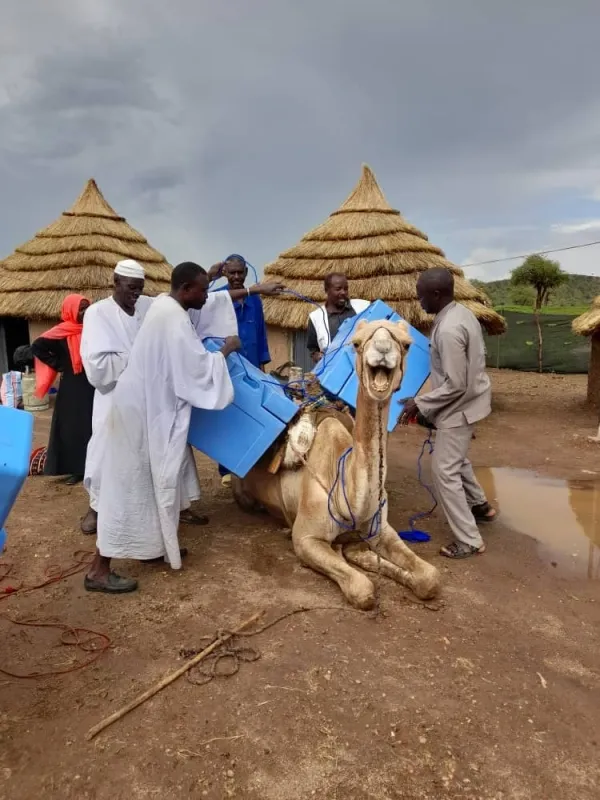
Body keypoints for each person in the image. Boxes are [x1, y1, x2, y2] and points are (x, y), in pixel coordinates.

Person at [84, 262, 241, 594]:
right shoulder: (170, 316)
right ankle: (98, 570)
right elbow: (194, 368)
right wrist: (225, 351)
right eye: (202, 289)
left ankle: (152, 549)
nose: (205, 295)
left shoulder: (167, 310)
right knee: (127, 488)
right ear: (185, 289)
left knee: (152, 484)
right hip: (138, 414)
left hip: (144, 408)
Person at [399, 268, 497, 559]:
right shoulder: (459, 314)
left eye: (422, 295)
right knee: (456, 457)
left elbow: (456, 383)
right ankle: (480, 506)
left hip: (459, 409)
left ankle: (469, 540)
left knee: (444, 471)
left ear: (437, 294)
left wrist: (421, 404)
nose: (419, 300)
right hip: (470, 400)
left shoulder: (450, 330)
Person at [210, 254, 272, 486]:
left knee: (253, 415)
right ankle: (226, 469)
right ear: (225, 273)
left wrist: (263, 367)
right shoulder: (218, 298)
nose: (236, 277)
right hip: (228, 367)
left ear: (246, 272)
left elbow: (261, 334)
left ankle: (251, 466)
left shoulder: (255, 300)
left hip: (252, 366)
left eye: (240, 273)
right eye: (232, 272)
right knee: (229, 416)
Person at [31, 294, 94, 485]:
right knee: (72, 428)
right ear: (70, 310)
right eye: (80, 309)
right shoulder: (61, 332)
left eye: (86, 307)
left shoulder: (94, 330)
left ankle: (93, 467)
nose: (84, 312)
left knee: (92, 425)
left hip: (92, 385)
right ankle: (76, 470)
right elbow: (37, 346)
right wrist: (59, 364)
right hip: (71, 388)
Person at [307, 273, 370, 363]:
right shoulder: (315, 318)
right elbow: (313, 350)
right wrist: (318, 356)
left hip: (362, 368)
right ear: (326, 290)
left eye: (346, 289)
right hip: (335, 371)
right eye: (338, 289)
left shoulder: (363, 307)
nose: (343, 292)